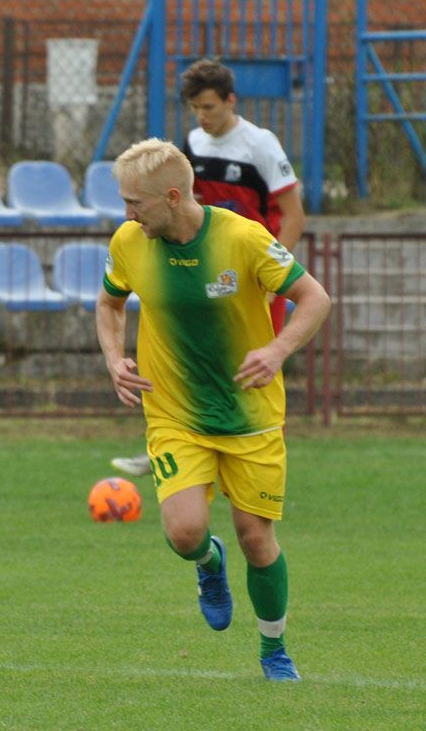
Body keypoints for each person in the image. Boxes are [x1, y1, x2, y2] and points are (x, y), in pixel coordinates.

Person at [95, 138, 329, 681]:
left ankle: (274, 650)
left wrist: (277, 350)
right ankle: (209, 562)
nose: (127, 214)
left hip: (250, 416)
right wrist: (113, 357)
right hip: (174, 414)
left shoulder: (243, 238)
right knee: (184, 534)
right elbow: (109, 303)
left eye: (135, 203)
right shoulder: (129, 242)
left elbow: (315, 298)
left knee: (257, 539)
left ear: (173, 197)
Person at [111, 57, 305, 477]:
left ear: (231, 101)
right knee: (182, 354)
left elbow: (293, 215)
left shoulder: (260, 144)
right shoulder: (191, 145)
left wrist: (271, 280)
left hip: (250, 274)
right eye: (196, 108)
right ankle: (173, 446)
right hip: (199, 270)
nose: (203, 116)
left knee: (251, 374)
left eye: (210, 107)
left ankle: (257, 461)